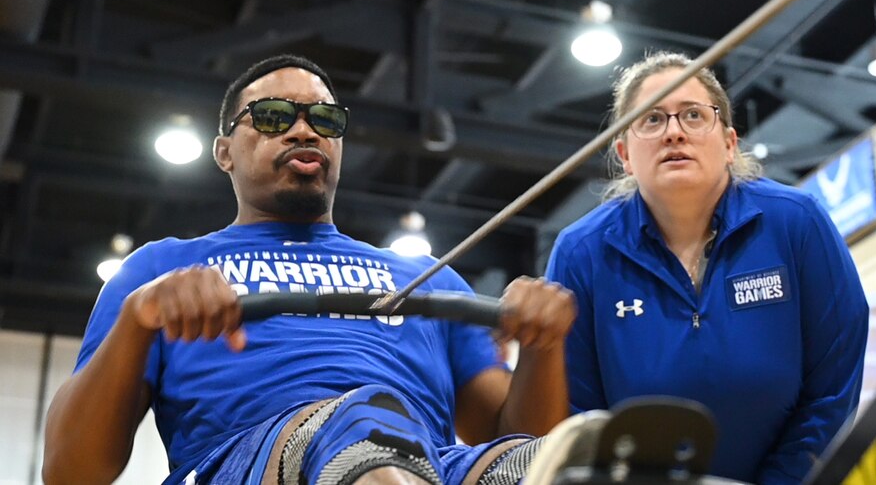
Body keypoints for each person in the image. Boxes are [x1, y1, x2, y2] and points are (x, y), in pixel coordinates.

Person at [43, 55, 576, 485]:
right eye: (274, 116)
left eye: (324, 119)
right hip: (249, 464)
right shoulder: (163, 271)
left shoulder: (427, 276)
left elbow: (522, 441)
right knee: (364, 427)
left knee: (584, 461)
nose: (304, 130)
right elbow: (71, 473)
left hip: (424, 468)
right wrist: (137, 322)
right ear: (223, 152)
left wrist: (541, 346)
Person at [545, 51, 869, 484]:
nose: (674, 132)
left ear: (730, 143)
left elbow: (833, 388)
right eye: (652, 119)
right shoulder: (579, 254)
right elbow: (578, 418)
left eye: (694, 115)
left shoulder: (798, 222)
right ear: (624, 152)